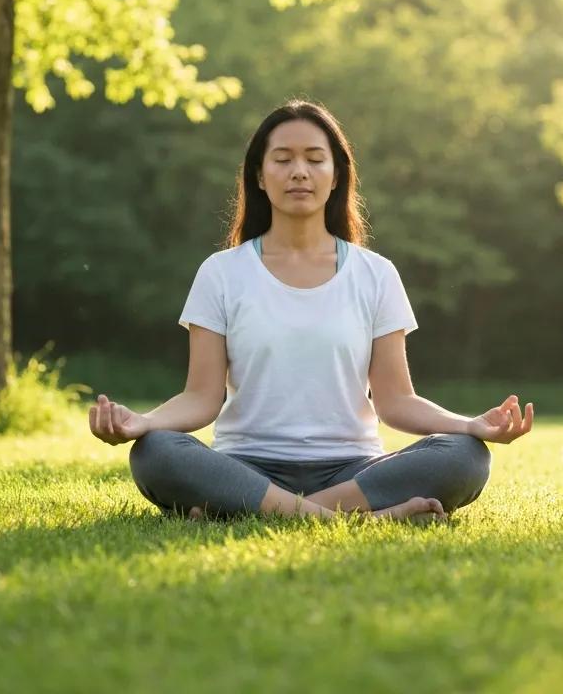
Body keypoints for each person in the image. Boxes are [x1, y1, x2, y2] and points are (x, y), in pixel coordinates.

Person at [89, 99, 533, 523]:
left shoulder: (375, 274)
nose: (298, 171)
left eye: (314, 159)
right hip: (248, 468)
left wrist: (471, 425)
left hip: (352, 471)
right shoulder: (221, 273)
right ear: (259, 176)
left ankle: (247, 513)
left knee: (466, 455)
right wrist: (143, 423)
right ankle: (362, 519)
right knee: (155, 451)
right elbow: (202, 397)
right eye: (282, 159)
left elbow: (396, 402)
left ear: (337, 174)